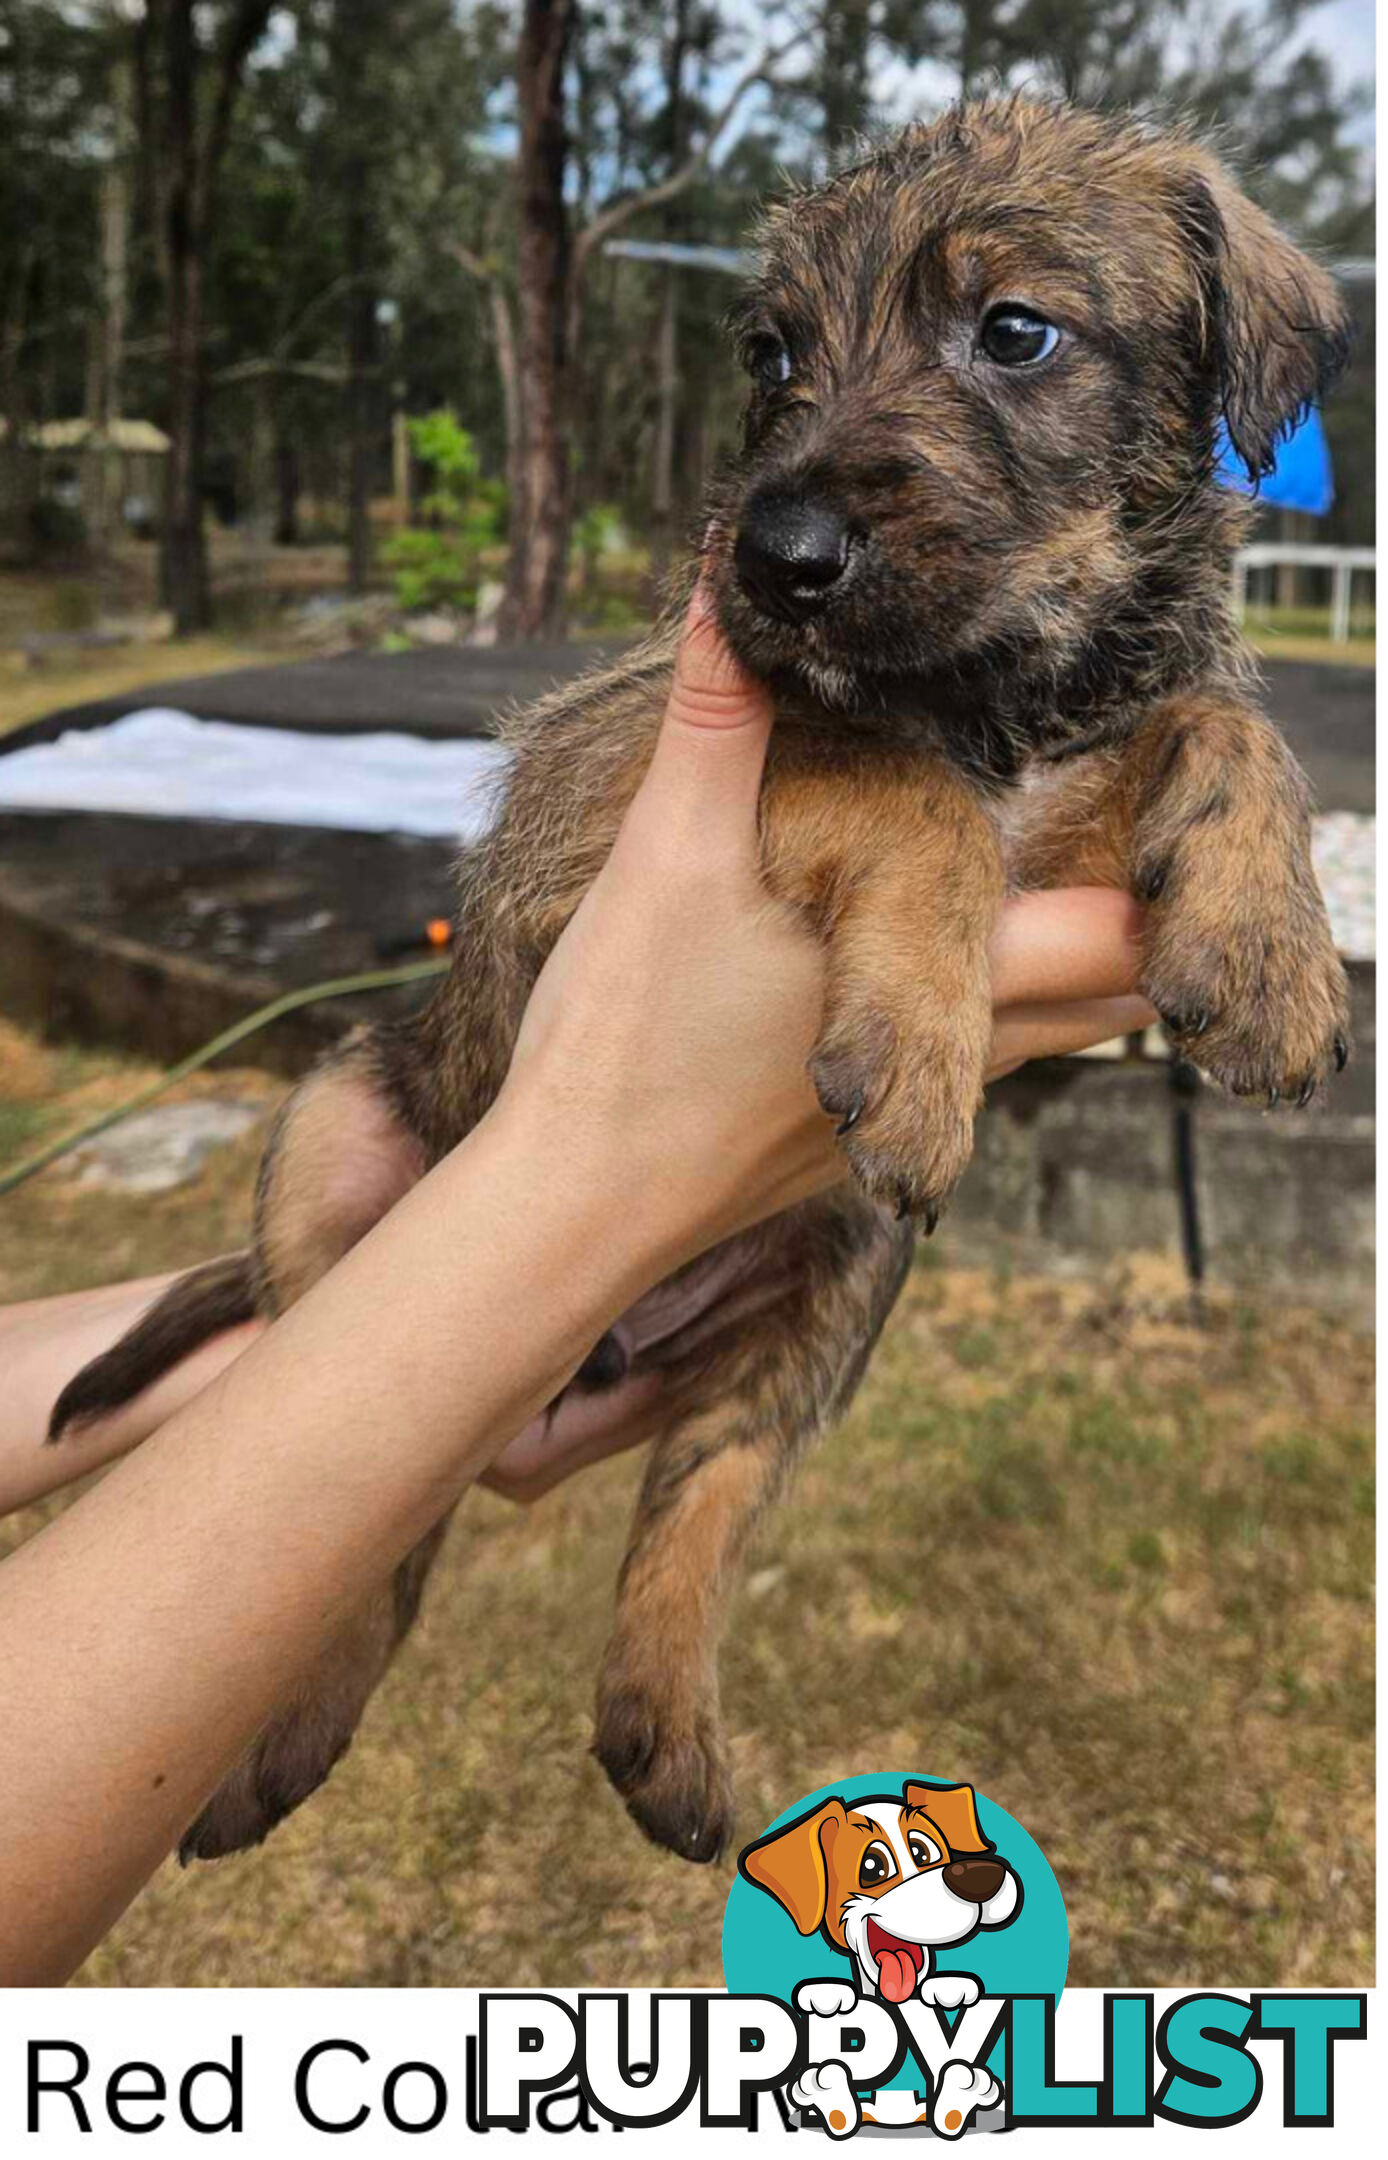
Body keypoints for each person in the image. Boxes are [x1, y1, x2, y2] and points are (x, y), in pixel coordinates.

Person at [0, 594, 1153, 1983]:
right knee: (340, 1120)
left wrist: (361, 1313)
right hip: (449, 1123)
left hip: (748, 1236)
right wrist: (533, 1226)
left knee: (855, 1257)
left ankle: (669, 1634)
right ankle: (368, 1610)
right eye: (778, 360)